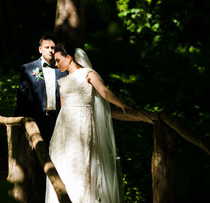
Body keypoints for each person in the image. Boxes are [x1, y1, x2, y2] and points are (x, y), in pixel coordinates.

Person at [45, 43, 132, 203]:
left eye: (58, 60)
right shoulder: (62, 81)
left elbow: (104, 91)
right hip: (64, 128)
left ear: (68, 57)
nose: (56, 64)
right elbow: (63, 108)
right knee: (63, 164)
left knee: (82, 164)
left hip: (83, 123)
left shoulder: (87, 74)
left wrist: (121, 104)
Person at [14, 35, 68, 202]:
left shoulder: (61, 69)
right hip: (37, 122)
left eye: (53, 48)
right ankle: (37, 196)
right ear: (40, 49)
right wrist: (18, 123)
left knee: (57, 158)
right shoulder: (29, 68)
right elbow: (21, 98)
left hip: (57, 121)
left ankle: (52, 195)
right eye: (47, 47)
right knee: (38, 160)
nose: (51, 51)